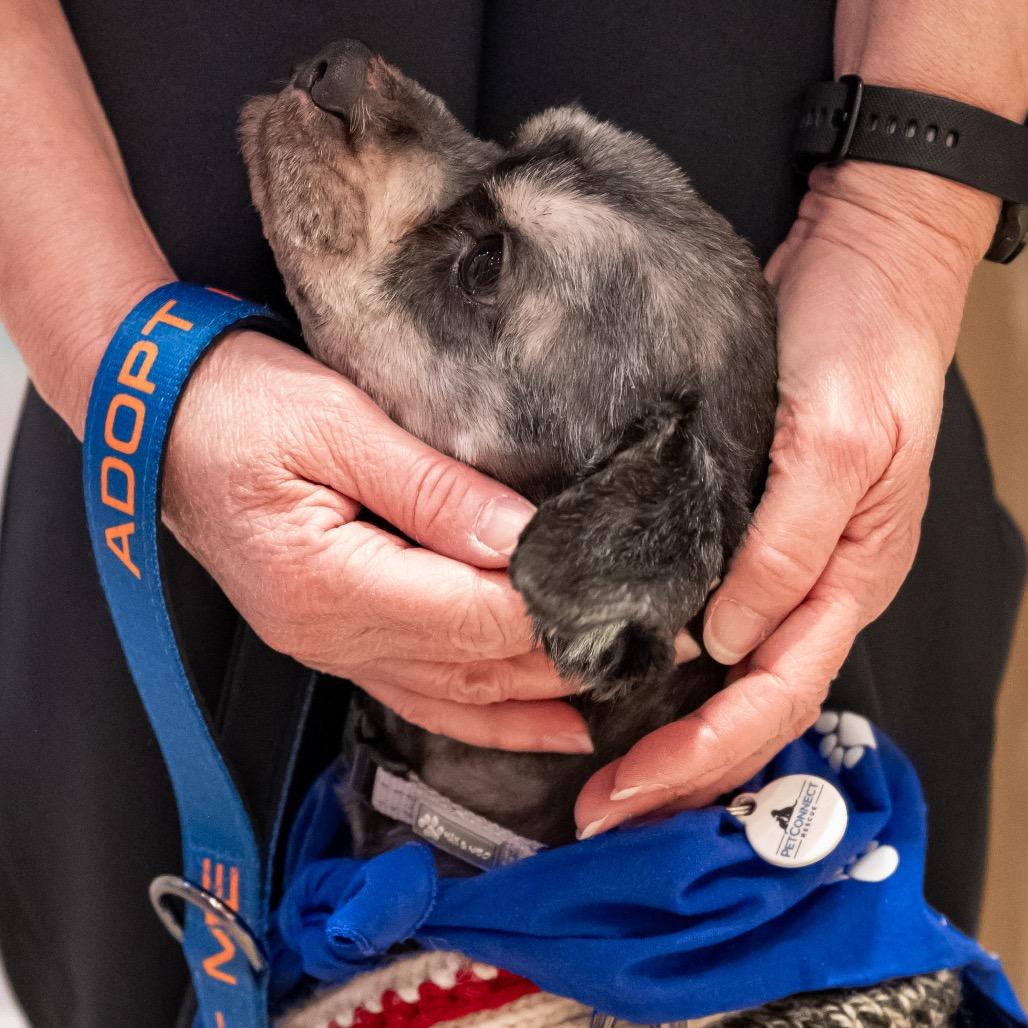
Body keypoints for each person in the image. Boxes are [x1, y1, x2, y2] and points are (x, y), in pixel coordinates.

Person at [0, 2, 1024, 1025]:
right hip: (152, 423)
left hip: (821, 420)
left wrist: (904, 219)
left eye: (480, 263)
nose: (369, 78)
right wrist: (116, 351)